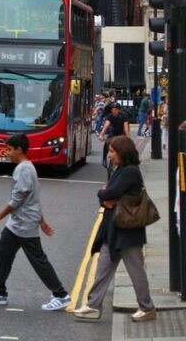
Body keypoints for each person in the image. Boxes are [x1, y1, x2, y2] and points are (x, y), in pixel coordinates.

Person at [0, 133, 71, 311]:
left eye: (10, 149)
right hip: (16, 224)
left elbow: (17, 199)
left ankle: (61, 295)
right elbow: (33, 199)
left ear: (19, 150)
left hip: (25, 224)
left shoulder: (24, 169)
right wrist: (42, 221)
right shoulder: (26, 167)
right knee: (3, 255)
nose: (7, 153)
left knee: (38, 260)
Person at [74, 136, 156, 322]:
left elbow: (108, 192)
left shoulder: (130, 172)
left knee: (136, 271)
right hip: (113, 230)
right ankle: (93, 306)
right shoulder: (121, 170)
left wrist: (104, 193)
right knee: (102, 269)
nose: (109, 156)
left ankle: (147, 308)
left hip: (127, 231)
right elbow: (108, 196)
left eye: (112, 151)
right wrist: (106, 196)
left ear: (123, 152)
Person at [98, 102, 130, 169]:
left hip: (121, 133)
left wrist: (128, 138)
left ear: (119, 110)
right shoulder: (110, 116)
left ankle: (124, 161)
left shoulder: (124, 116)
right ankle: (104, 159)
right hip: (113, 132)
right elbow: (106, 126)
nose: (113, 111)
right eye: (112, 109)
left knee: (124, 147)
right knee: (107, 142)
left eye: (115, 109)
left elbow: (126, 128)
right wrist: (101, 135)